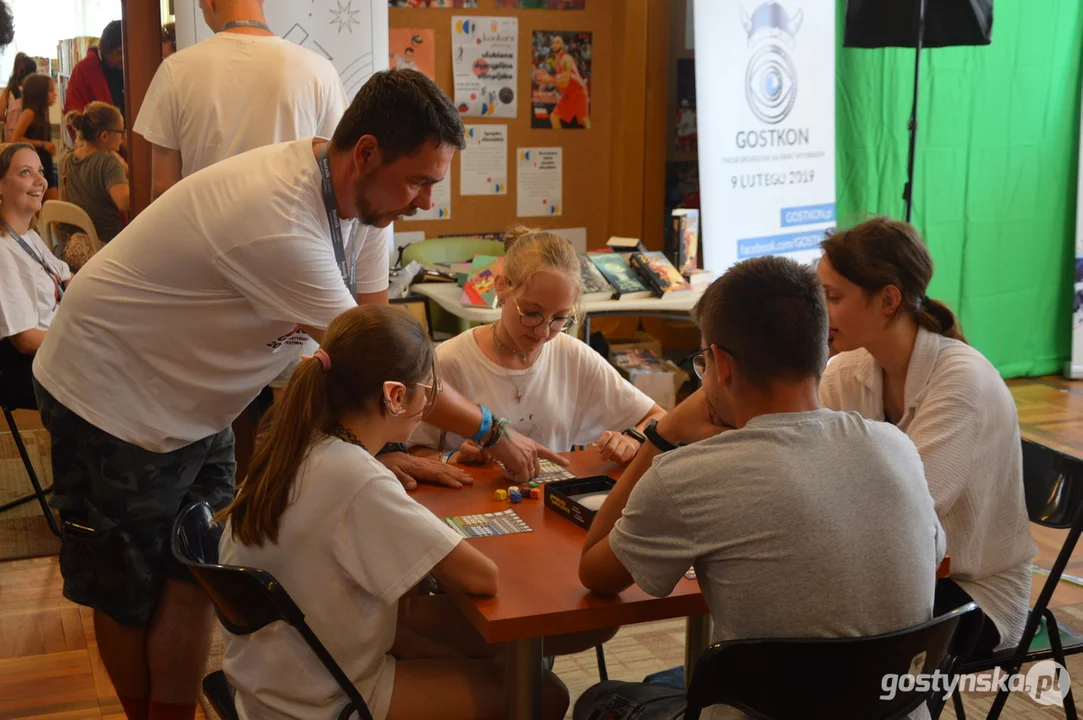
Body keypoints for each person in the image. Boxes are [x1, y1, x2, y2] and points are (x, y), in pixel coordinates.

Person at [32, 69, 561, 720]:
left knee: (194, 578)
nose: (425, 202)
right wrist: (492, 430)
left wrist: (384, 448)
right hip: (107, 389)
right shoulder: (276, 219)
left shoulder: (369, 203)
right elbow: (377, 367)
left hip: (202, 400)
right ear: (365, 152)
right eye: (420, 181)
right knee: (125, 591)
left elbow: (387, 348)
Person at [576, 255, 945, 720]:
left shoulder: (688, 474)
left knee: (601, 698)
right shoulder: (897, 447)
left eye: (703, 361)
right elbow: (928, 556)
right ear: (822, 350)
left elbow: (595, 573)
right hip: (893, 710)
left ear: (722, 365)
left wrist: (662, 436)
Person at [219, 304, 569, 720]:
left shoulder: (297, 447)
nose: (429, 402)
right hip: (326, 701)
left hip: (274, 681)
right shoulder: (356, 476)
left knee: (486, 650)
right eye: (429, 392)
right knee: (544, 693)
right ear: (396, 396)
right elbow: (482, 577)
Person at [816, 217, 1035, 654]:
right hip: (887, 572)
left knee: (822, 638)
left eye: (833, 297)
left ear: (888, 300)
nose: (820, 311)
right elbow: (811, 473)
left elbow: (908, 515)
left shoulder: (961, 381)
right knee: (781, 609)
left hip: (974, 593)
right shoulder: (844, 370)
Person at [411, 228, 665, 466]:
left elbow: (659, 417)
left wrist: (632, 439)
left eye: (559, 319)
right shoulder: (449, 360)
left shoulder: (573, 356)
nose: (543, 332)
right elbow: (408, 455)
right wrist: (451, 458)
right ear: (501, 287)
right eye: (531, 313)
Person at [134, 0, 348, 200]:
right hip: (294, 235)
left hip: (208, 235)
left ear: (209, 2)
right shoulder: (319, 72)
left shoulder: (176, 70)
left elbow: (163, 188)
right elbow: (338, 173)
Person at [0, 143, 70, 409]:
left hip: (57, 343)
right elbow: (26, 340)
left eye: (40, 171)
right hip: (34, 369)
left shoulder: (28, 236)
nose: (41, 180)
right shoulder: (3, 254)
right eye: (26, 172)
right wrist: (81, 342)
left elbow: (65, 275)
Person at [62, 102, 129, 243]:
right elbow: (124, 202)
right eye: (121, 132)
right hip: (107, 243)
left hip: (75, 243)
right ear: (104, 136)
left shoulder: (67, 159)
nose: (123, 137)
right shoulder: (108, 162)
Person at [64, 20, 125, 119]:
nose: (123, 58)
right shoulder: (83, 70)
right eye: (119, 52)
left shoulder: (133, 67)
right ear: (105, 48)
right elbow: (74, 112)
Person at [11, 74, 59, 202]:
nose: (55, 94)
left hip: (45, 162)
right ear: (39, 93)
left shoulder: (43, 113)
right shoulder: (29, 113)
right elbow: (15, 139)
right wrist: (42, 144)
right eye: (51, 91)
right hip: (35, 163)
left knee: (53, 204)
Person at [544, 35, 589, 129]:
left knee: (583, 119)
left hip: (577, 92)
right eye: (553, 42)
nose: (555, 44)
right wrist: (557, 90)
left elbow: (565, 81)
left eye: (558, 42)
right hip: (571, 93)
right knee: (555, 117)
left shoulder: (566, 58)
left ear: (563, 45)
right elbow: (561, 80)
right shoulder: (557, 61)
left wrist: (549, 79)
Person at [1, 54, 37, 142]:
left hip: (11, 135)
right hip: (30, 135)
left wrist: (9, 118)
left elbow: (0, 113)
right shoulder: (35, 91)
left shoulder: (9, 91)